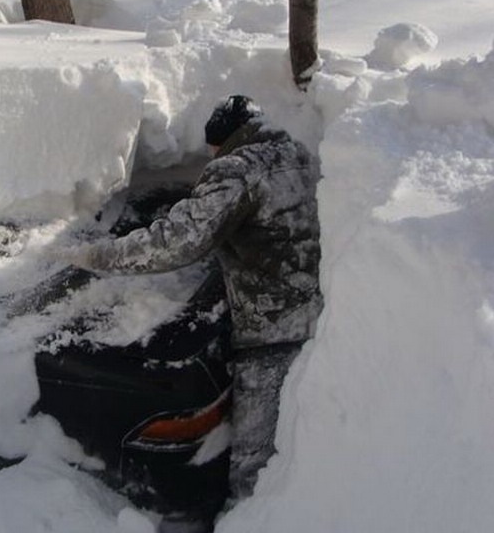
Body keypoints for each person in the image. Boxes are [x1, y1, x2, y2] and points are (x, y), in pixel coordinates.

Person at [62, 95, 323, 498]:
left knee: (256, 469)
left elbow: (174, 242)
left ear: (224, 140)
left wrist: (96, 256)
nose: (210, 157)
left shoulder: (238, 170)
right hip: (319, 324)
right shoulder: (300, 157)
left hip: (271, 336)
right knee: (303, 451)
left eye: (212, 150)